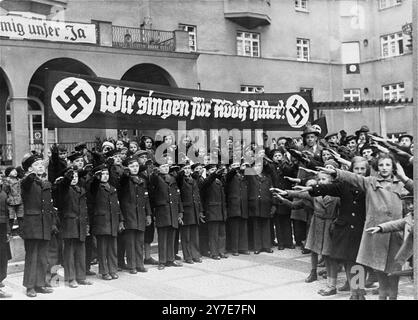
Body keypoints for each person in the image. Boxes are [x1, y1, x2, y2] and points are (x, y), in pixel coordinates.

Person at [319, 153, 413, 300]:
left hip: (395, 234)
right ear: (376, 167)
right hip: (375, 234)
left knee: (394, 274)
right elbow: (353, 178)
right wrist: (336, 172)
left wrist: (404, 178)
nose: (384, 168)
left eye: (388, 164)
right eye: (381, 165)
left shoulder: (401, 185)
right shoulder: (371, 182)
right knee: (378, 272)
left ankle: (386, 295)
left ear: (394, 167)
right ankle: (360, 293)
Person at [294, 156, 369, 300]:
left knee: (359, 262)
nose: (359, 172)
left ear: (367, 170)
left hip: (362, 228)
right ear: (351, 170)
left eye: (362, 169)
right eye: (356, 169)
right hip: (345, 229)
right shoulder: (344, 185)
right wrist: (311, 188)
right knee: (349, 260)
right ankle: (355, 292)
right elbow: (326, 188)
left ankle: (359, 291)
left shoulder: (369, 185)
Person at [272, 170, 340, 296]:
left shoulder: (337, 196)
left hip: (329, 227)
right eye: (319, 180)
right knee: (315, 250)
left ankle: (332, 285)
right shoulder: (315, 195)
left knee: (330, 257)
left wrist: (335, 222)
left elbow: (342, 212)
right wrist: (286, 193)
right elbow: (301, 195)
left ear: (331, 182)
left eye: (324, 180)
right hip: (317, 224)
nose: (320, 182)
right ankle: (320, 277)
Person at [21, 154, 56, 297]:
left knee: (43, 256)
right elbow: (27, 182)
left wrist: (53, 223)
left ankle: (40, 284)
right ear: (30, 168)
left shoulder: (46, 184)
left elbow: (50, 206)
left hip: (45, 224)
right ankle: (30, 286)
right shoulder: (27, 182)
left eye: (42, 163)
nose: (41, 166)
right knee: (32, 256)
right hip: (32, 225)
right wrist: (31, 174)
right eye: (37, 164)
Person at [55, 166, 92, 288]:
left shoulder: (81, 189)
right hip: (69, 224)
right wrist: (67, 177)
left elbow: (85, 209)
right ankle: (71, 278)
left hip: (80, 223)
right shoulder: (64, 189)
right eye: (72, 177)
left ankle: (81, 277)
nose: (74, 179)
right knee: (69, 252)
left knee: (81, 250)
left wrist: (86, 224)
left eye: (76, 176)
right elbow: (64, 184)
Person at [87, 164, 124, 280]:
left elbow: (118, 206)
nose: (105, 176)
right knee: (102, 249)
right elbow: (92, 186)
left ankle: (112, 269)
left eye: (107, 174)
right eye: (102, 174)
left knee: (113, 248)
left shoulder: (112, 188)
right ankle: (104, 271)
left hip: (113, 221)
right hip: (102, 222)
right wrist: (96, 178)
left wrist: (121, 220)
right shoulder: (96, 188)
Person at [118, 156, 152, 274]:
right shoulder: (125, 180)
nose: (135, 168)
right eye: (132, 166)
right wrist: (125, 173)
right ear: (127, 168)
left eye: (137, 166)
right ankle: (132, 265)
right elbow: (122, 180)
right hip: (129, 215)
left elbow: (146, 198)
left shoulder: (142, 180)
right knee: (130, 242)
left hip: (140, 215)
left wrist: (148, 214)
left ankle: (139, 264)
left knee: (139, 241)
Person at [149, 158, 183, 270]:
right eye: (163, 166)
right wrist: (154, 172)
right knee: (162, 237)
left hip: (173, 211)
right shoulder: (156, 178)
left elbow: (177, 196)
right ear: (158, 168)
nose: (166, 168)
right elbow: (152, 181)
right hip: (162, 211)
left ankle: (170, 259)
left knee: (171, 236)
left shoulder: (172, 178)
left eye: (167, 166)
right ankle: (162, 261)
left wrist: (180, 211)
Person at [177, 162, 204, 263]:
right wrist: (181, 171)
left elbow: (197, 196)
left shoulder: (194, 180)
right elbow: (179, 177)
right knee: (186, 235)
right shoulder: (180, 180)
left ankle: (195, 254)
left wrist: (200, 210)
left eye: (188, 168)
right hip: (186, 211)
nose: (187, 170)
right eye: (185, 168)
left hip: (195, 210)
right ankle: (188, 256)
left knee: (194, 235)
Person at [199, 164, 228, 260]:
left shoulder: (219, 180)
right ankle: (214, 252)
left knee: (222, 233)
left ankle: (221, 251)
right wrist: (214, 174)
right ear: (207, 172)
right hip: (212, 211)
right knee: (213, 234)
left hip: (221, 210)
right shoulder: (206, 180)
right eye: (212, 170)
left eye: (216, 170)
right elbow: (208, 181)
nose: (215, 171)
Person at [246, 161, 275, 254]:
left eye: (259, 166)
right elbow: (247, 169)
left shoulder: (268, 177)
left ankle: (267, 246)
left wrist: (273, 204)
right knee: (256, 226)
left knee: (266, 226)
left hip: (266, 204)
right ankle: (257, 247)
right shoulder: (251, 177)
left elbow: (272, 192)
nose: (257, 168)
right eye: (255, 166)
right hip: (254, 205)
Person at [225, 161, 249, 256]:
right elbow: (230, 174)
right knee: (234, 228)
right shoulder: (228, 176)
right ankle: (234, 249)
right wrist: (235, 169)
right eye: (234, 165)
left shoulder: (244, 175)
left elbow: (253, 172)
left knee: (243, 228)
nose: (237, 167)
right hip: (234, 205)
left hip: (243, 205)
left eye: (238, 165)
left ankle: (243, 247)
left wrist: (247, 167)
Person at [3, 166, 24, 235]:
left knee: (20, 217)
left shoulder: (19, 180)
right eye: (13, 171)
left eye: (15, 171)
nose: (15, 172)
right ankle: (9, 232)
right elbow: (5, 191)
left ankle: (21, 232)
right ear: (8, 173)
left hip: (20, 201)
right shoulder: (6, 181)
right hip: (10, 202)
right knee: (10, 218)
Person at [0, 182, 12, 298]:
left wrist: (8, 231)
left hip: (2, 227)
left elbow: (7, 212)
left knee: (3, 257)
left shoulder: (3, 191)